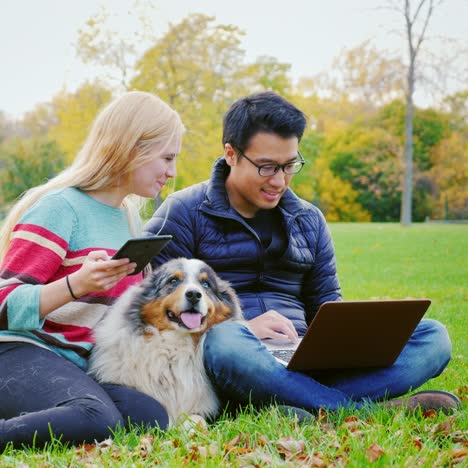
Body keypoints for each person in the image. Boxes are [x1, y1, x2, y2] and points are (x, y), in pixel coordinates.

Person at [144, 91, 460, 418]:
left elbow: (326, 303)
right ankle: (352, 409)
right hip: (232, 356)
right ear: (231, 154)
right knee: (226, 341)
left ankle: (294, 402)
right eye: (267, 168)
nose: (279, 181)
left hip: (303, 357)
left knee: (433, 337)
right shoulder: (183, 212)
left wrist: (345, 339)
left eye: (290, 165)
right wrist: (245, 326)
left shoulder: (309, 219)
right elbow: (159, 315)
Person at [0, 91, 184, 450]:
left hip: (78, 362)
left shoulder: (128, 217)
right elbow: (4, 303)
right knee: (95, 418)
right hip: (19, 352)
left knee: (150, 416)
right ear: (132, 147)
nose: (172, 172)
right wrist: (75, 285)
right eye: (167, 158)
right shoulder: (60, 208)